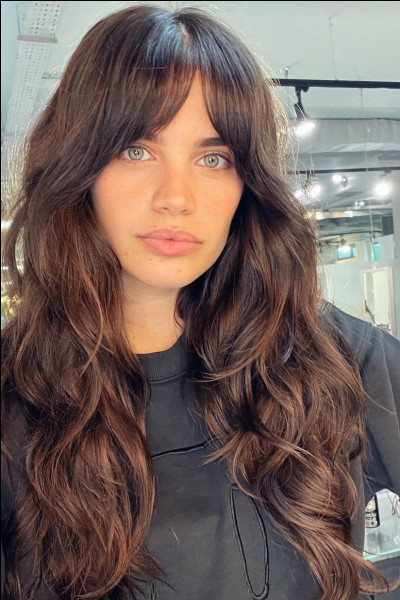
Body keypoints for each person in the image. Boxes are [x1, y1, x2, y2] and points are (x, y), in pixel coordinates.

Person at [1, 4, 399, 600]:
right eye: (136, 150)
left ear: (246, 184)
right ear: (78, 166)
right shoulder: (14, 394)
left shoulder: (333, 356)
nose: (176, 197)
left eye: (213, 159)